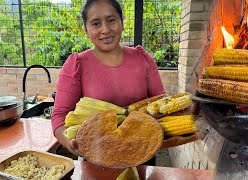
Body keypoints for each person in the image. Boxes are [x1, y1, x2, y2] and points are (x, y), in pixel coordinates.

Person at [51, 0, 165, 160]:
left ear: (122, 23)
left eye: (111, 20)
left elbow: (161, 105)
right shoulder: (77, 65)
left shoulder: (143, 60)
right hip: (95, 155)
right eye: (96, 23)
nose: (105, 30)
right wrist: (71, 143)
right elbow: (59, 117)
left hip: (141, 153)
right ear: (86, 30)